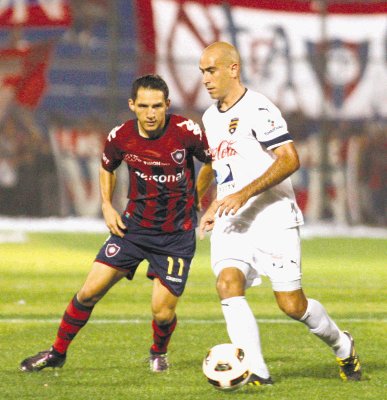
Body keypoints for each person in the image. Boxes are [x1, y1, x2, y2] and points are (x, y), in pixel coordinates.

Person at [19, 74, 211, 373]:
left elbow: (211, 161)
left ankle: (158, 352)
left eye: (157, 106)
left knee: (162, 313)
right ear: (132, 105)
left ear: (167, 105)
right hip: (132, 230)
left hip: (176, 235)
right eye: (144, 106)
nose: (151, 113)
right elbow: (107, 166)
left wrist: (200, 195)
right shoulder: (120, 136)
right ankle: (57, 352)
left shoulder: (186, 131)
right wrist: (107, 206)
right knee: (89, 291)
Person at [197, 42, 361, 386]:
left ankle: (342, 344)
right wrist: (212, 202)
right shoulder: (210, 117)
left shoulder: (259, 107)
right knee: (227, 284)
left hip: (272, 216)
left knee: (291, 304)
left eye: (211, 70)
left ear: (233, 68)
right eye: (202, 72)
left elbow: (289, 158)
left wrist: (243, 193)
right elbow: (220, 165)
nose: (206, 79)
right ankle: (257, 372)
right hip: (233, 217)